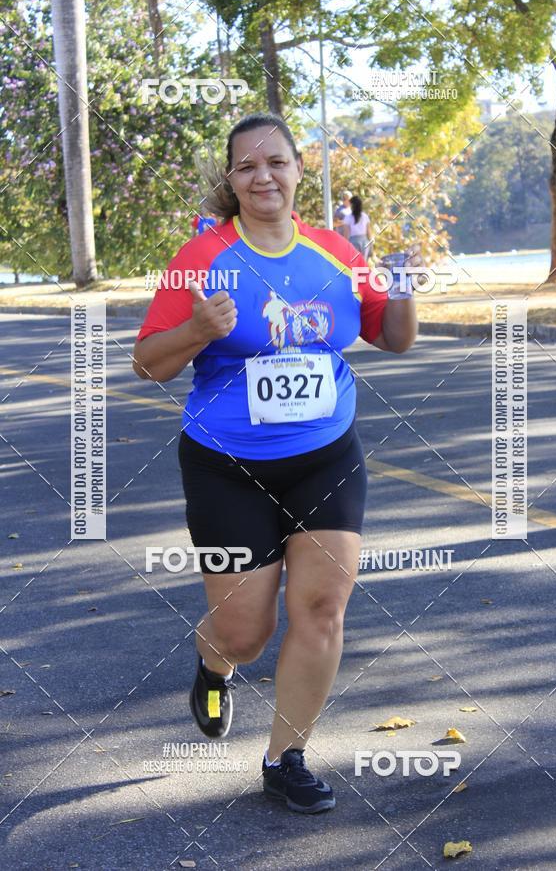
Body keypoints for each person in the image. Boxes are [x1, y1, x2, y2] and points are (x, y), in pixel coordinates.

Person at [132, 112, 417, 814]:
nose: (264, 176)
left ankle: (284, 757)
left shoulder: (333, 250)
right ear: (230, 181)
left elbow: (393, 337)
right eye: (247, 166)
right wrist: (198, 331)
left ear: (297, 169)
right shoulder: (199, 259)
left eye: (277, 162)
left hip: (327, 457)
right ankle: (213, 660)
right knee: (245, 632)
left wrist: (403, 286)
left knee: (322, 608)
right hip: (228, 466)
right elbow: (147, 363)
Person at [343, 195, 374, 261]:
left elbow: (346, 234)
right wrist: (371, 246)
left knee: (355, 264)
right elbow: (369, 233)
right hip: (364, 242)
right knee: (363, 264)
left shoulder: (348, 217)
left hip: (353, 242)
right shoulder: (365, 216)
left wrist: (344, 247)